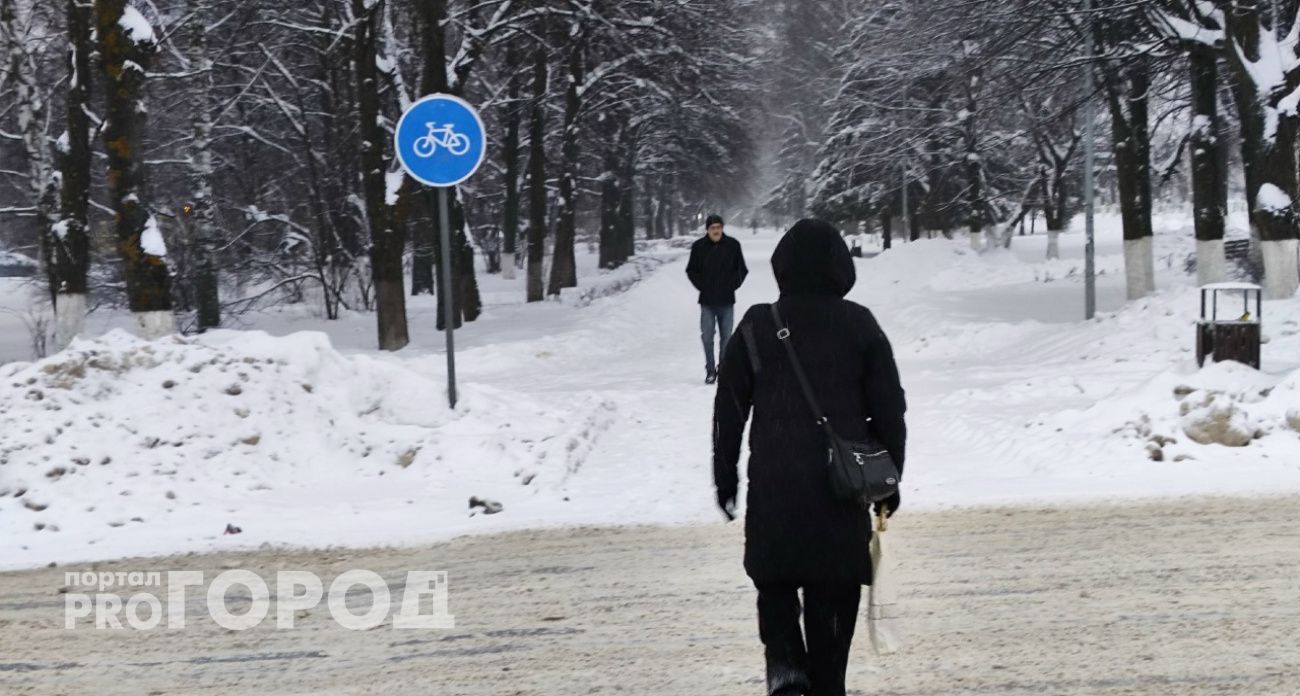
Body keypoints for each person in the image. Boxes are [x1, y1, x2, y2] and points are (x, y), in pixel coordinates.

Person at [712, 219, 907, 696]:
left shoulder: (758, 325)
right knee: (832, 616)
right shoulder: (859, 324)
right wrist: (889, 481)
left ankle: (785, 670)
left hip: (775, 493)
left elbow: (729, 408)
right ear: (839, 267)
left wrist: (726, 477)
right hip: (839, 497)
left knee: (774, 586)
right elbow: (890, 409)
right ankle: (819, 684)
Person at [686, 214, 749, 384]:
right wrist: (702, 285)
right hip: (707, 301)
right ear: (707, 230)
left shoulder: (733, 245)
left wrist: (732, 285)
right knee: (707, 336)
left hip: (727, 300)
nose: (716, 231)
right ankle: (710, 369)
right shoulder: (698, 247)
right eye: (713, 228)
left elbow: (742, 270)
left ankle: (724, 369)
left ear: (722, 228)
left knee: (726, 337)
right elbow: (691, 270)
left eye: (718, 227)